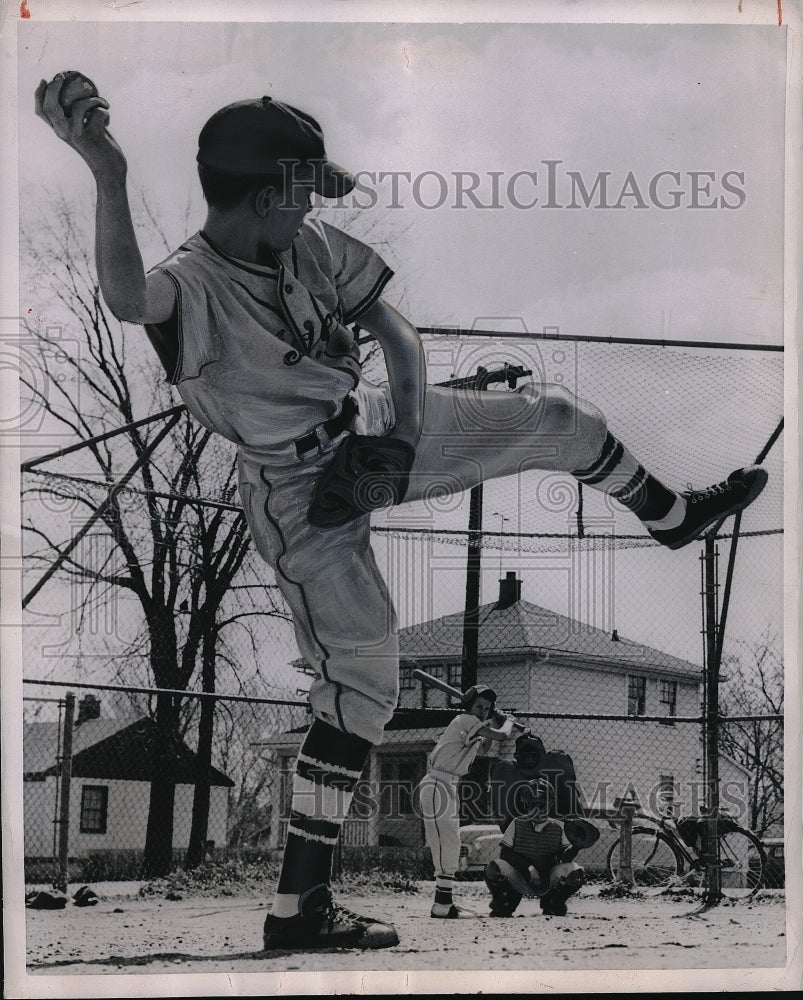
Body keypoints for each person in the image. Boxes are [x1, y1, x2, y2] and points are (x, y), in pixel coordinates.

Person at [35, 73, 768, 951]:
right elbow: (126, 300)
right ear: (267, 193)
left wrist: (401, 439)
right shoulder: (191, 285)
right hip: (296, 491)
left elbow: (398, 333)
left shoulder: (304, 247)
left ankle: (669, 517)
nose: (315, 202)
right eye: (305, 186)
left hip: (374, 428)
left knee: (560, 420)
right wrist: (106, 170)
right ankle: (298, 907)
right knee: (363, 686)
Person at [417, 685, 516, 918]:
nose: (482, 711)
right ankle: (441, 905)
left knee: (452, 839)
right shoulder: (464, 719)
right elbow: (502, 736)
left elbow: (484, 749)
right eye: (479, 707)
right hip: (437, 782)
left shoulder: (474, 727)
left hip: (449, 784)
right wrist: (509, 720)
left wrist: (493, 720)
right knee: (445, 841)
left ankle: (444, 902)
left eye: (487, 708)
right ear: (469, 707)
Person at [484, 778, 586, 917]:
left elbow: (564, 858)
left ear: (550, 804)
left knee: (576, 872)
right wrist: (529, 867)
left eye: (542, 805)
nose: (538, 809)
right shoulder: (517, 823)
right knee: (494, 867)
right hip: (520, 877)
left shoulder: (559, 826)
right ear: (525, 804)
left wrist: (576, 847)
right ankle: (503, 901)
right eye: (533, 805)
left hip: (548, 878)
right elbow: (505, 854)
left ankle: (554, 902)